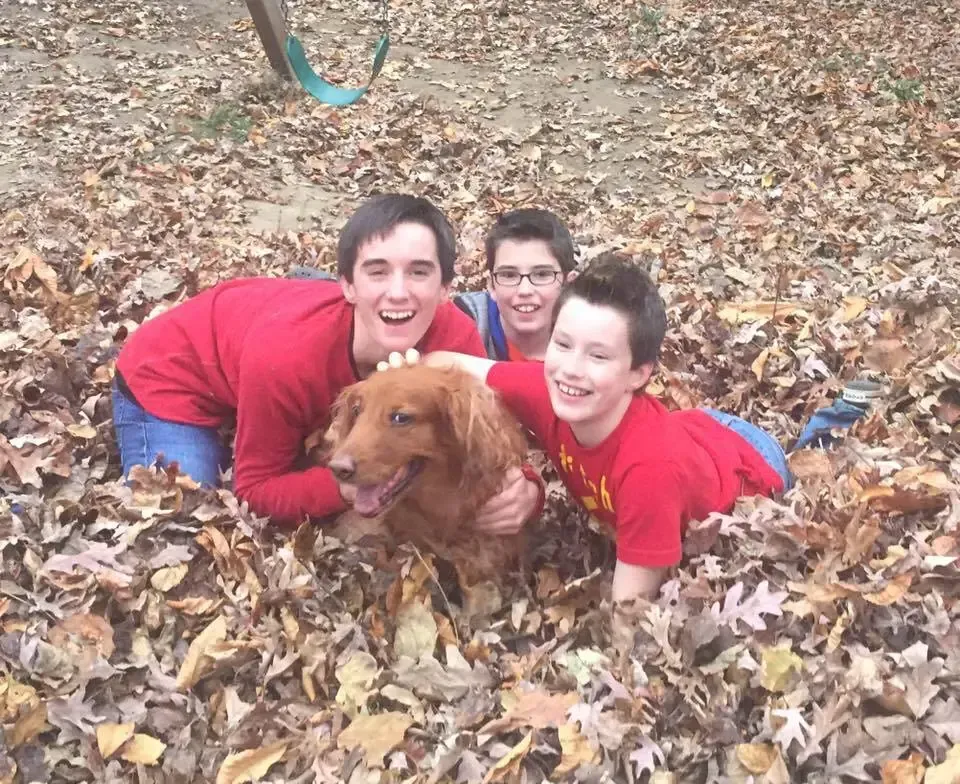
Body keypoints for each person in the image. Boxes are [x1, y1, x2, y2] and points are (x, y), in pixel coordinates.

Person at [112, 193, 543, 531]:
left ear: (446, 287)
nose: (398, 293)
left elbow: (483, 428)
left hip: (250, 358)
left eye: (418, 272)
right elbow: (256, 488)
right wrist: (346, 489)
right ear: (347, 286)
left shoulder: (454, 338)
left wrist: (525, 484)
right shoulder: (286, 358)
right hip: (170, 378)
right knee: (181, 510)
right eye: (377, 272)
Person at [425, 253, 792, 604]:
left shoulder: (648, 473)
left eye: (598, 355)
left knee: (814, 448)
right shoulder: (547, 387)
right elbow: (444, 364)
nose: (571, 368)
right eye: (563, 344)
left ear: (639, 373)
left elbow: (629, 611)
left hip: (751, 463)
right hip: (696, 431)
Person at [454, 208, 578, 361]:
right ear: (491, 285)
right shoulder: (466, 320)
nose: (524, 290)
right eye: (509, 275)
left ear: (568, 284)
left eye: (541, 274)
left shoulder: (594, 338)